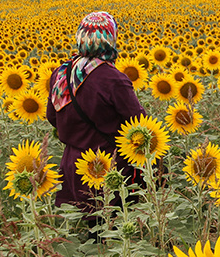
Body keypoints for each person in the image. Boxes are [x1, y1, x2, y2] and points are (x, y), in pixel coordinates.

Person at [47, 11, 146, 219]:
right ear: (111, 39)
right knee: (112, 230)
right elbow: (140, 124)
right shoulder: (113, 79)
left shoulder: (61, 74)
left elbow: (52, 118)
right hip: (107, 167)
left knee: (82, 230)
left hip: (72, 165)